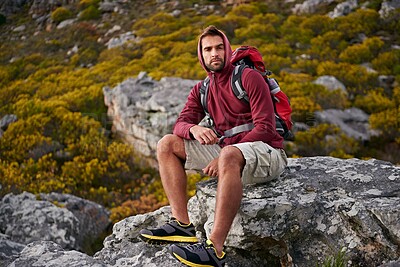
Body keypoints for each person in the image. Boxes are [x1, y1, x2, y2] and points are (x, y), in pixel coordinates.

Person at [139, 25, 288, 267]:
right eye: (208, 49)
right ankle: (182, 225)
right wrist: (194, 129)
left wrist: (221, 158)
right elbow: (180, 123)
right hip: (231, 152)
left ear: (228, 50)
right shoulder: (203, 89)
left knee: (228, 153)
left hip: (267, 152)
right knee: (166, 144)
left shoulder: (249, 77)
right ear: (201, 55)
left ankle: (214, 249)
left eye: (219, 48)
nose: (214, 53)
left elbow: (266, 129)